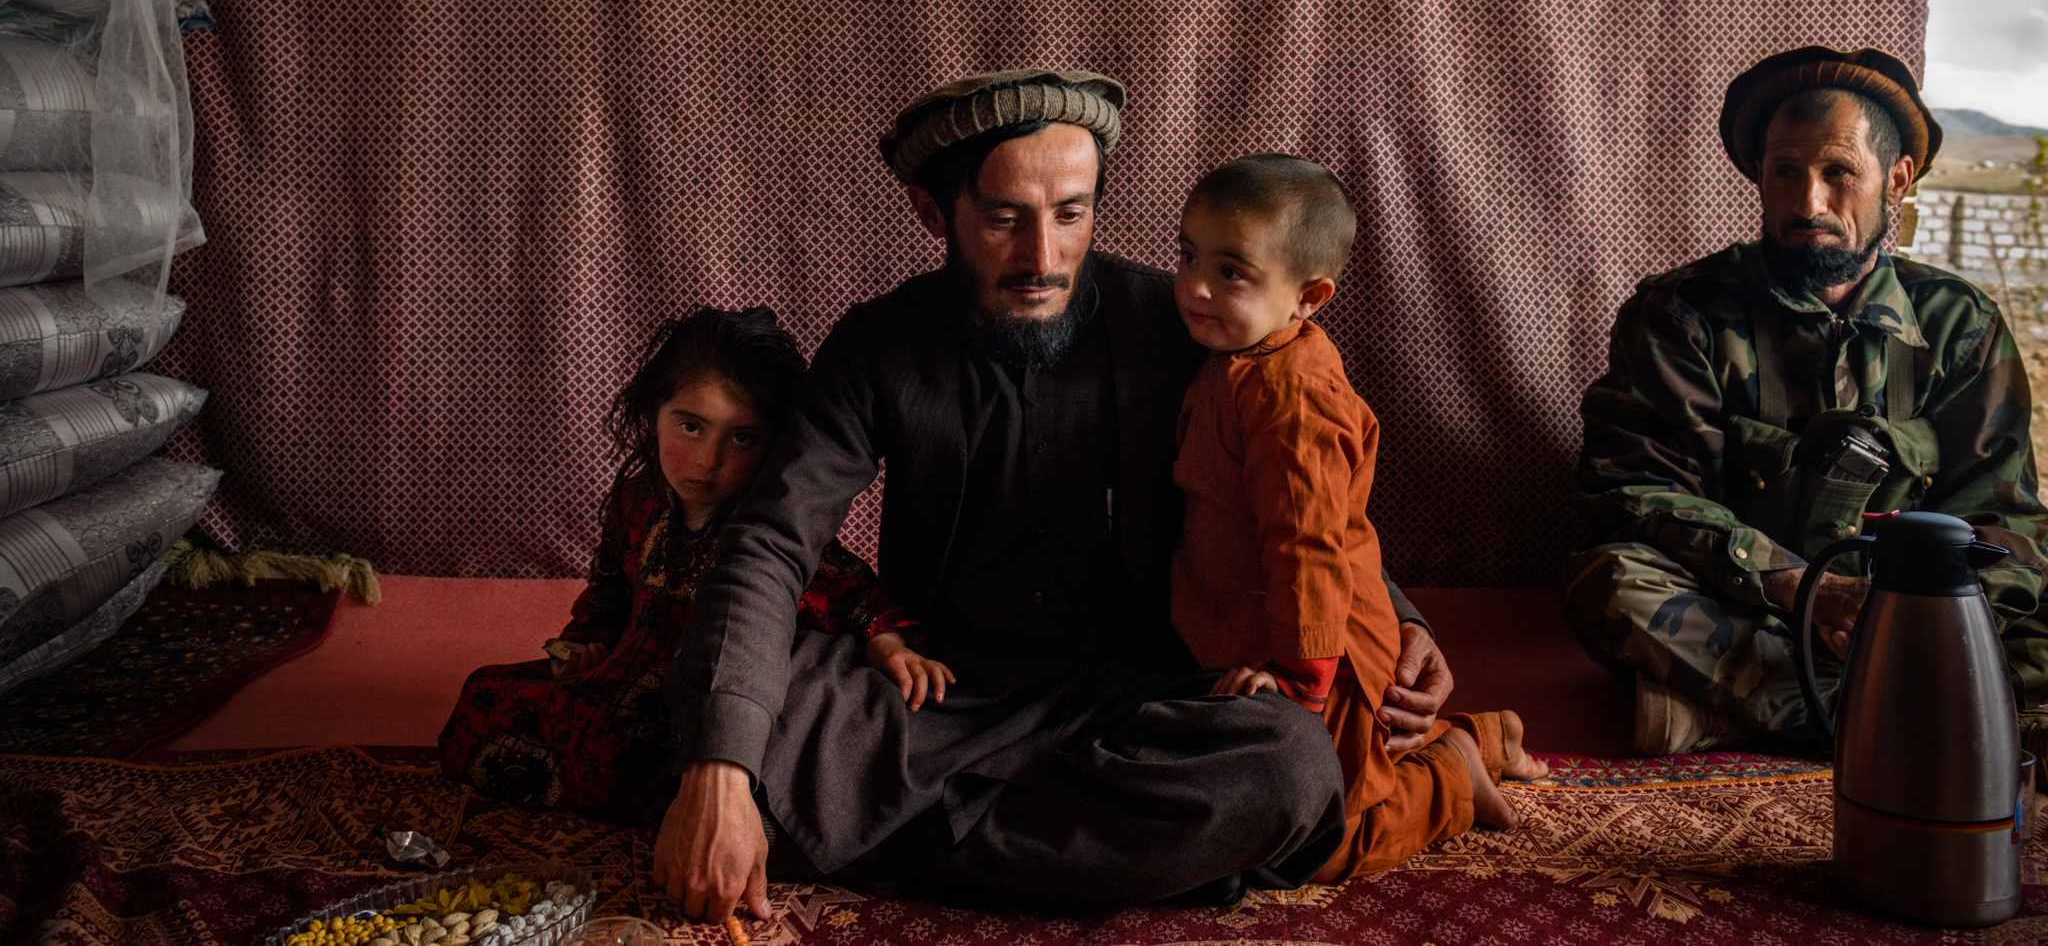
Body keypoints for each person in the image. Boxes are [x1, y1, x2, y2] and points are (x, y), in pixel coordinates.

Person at [655, 69, 1461, 919]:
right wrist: (718, 774)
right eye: (1005, 219)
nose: (1043, 257)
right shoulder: (877, 344)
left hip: (1145, 697)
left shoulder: (1179, 320)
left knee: (1287, 764)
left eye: (1070, 214)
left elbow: (1301, 491)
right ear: (936, 215)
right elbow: (773, 541)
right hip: (938, 694)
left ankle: (902, 844)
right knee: (726, 720)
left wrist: (1403, 617)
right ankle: (1147, 863)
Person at [1566, 46, 2048, 755]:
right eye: (1785, 172)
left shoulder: (1960, 325)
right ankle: (1936, 716)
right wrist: (1801, 587)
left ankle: (1734, 713)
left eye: (1838, 173)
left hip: (1922, 619)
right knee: (1611, 584)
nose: (1807, 203)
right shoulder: (1682, 312)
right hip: (1750, 602)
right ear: (1759, 173)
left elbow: (2003, 517)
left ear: (1897, 179)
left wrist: (1920, 616)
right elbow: (1638, 488)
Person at [1170, 153, 1547, 879]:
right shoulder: (1241, 352)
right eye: (1187, 255)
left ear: (1308, 297)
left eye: (1231, 271)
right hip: (1245, 633)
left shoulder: (1293, 400)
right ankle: (1482, 739)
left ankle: (1449, 782)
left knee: (1324, 837)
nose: (1194, 286)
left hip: (1321, 646)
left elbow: (1305, 547)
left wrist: (1302, 676)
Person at [437, 307, 950, 820]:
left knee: (689, 759)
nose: (708, 460)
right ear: (653, 414)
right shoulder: (636, 502)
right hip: (620, 679)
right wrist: (585, 645)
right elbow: (608, 592)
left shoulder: (768, 525)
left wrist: (888, 642)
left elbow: (854, 593)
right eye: (690, 427)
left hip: (706, 702)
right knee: (484, 697)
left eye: (742, 437)